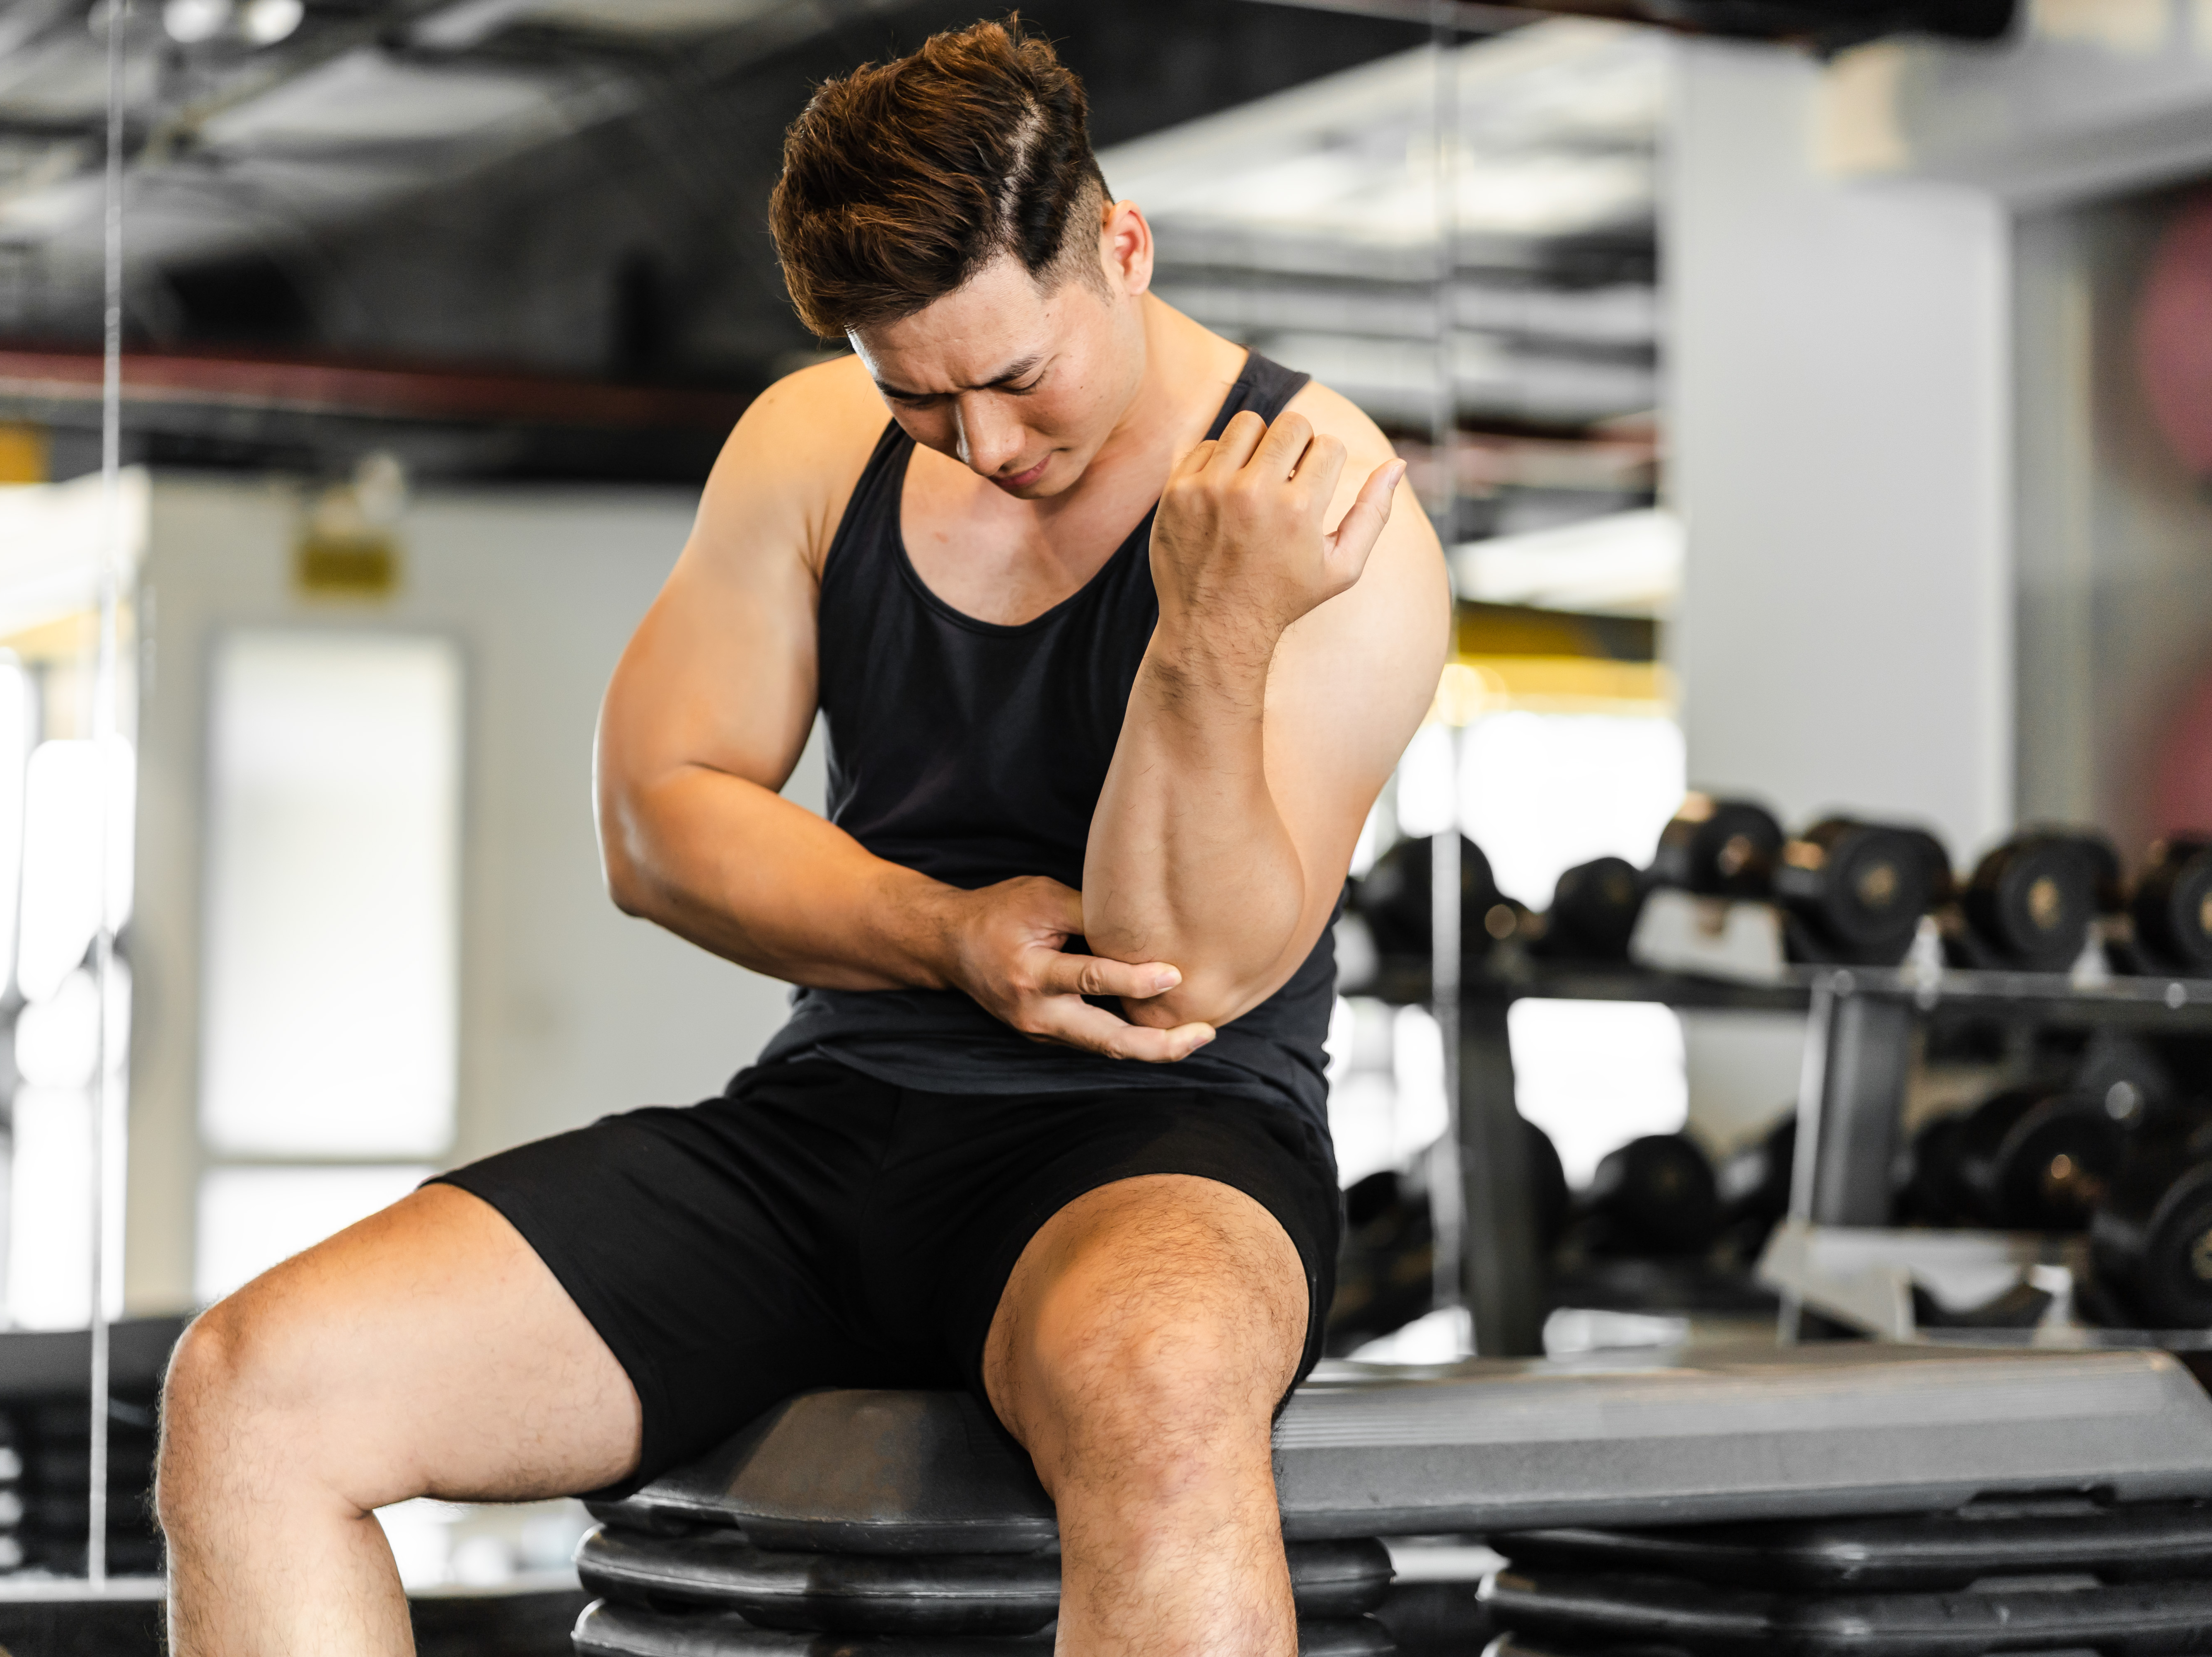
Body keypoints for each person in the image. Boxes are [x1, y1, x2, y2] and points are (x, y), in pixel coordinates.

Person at [156, 19, 1447, 1657]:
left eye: (1015, 376)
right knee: (256, 1390)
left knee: (1162, 1386)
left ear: (1121, 249)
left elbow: (1173, 965)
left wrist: (1211, 628)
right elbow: (659, 817)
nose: (983, 444)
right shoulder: (811, 445)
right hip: (832, 1130)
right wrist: (946, 936)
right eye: (921, 395)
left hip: (1162, 1149)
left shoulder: (1325, 507)